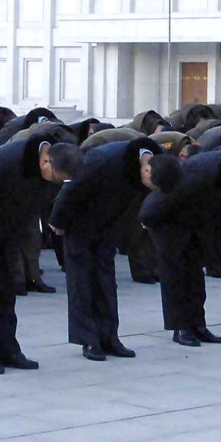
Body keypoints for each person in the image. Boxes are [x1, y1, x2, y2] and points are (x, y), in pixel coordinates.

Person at [0, 138, 81, 374]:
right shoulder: (2, 162)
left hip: (8, 233)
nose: (57, 183)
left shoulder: (48, 168)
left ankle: (9, 349)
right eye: (57, 177)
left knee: (6, 291)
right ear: (46, 160)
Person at [49, 137, 179, 361]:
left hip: (109, 224)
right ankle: (88, 339)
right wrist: (57, 222)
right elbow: (71, 188)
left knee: (106, 280)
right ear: (146, 169)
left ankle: (110, 337)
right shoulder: (102, 160)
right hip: (79, 221)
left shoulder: (160, 161)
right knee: (82, 281)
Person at [140, 144, 221, 346]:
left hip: (194, 221)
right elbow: (165, 197)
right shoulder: (201, 173)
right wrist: (146, 219)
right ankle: (180, 327)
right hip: (167, 220)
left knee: (195, 274)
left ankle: (198, 325)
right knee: (175, 275)